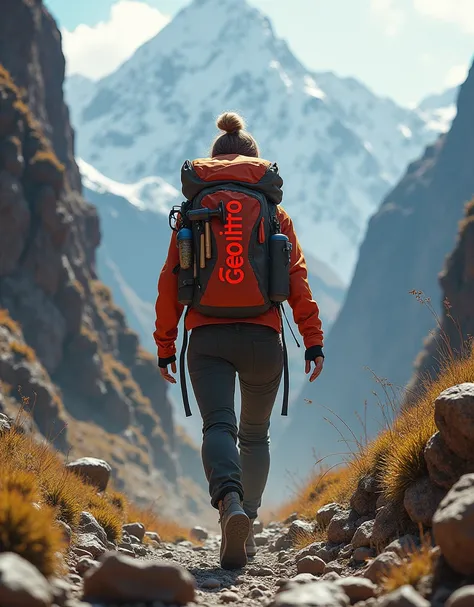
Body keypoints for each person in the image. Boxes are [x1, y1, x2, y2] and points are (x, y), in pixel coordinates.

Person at [154, 112, 324, 569]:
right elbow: (297, 279)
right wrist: (312, 340)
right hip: (263, 337)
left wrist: (165, 344)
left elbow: (170, 282)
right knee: (254, 434)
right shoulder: (274, 212)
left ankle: (229, 505)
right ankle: (247, 521)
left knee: (218, 427)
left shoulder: (193, 209)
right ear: (256, 162)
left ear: (213, 162)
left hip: (206, 336)